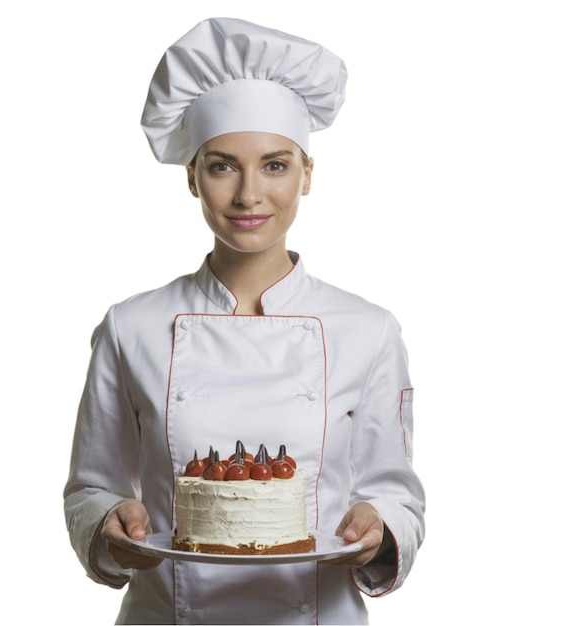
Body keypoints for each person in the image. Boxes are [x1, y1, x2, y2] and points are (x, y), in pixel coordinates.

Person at [64, 17, 425, 625]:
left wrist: (380, 527)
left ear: (308, 174)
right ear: (192, 177)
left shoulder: (369, 330)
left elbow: (396, 494)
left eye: (276, 165)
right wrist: (107, 523)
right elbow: (89, 487)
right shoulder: (132, 326)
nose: (249, 195)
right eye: (223, 165)